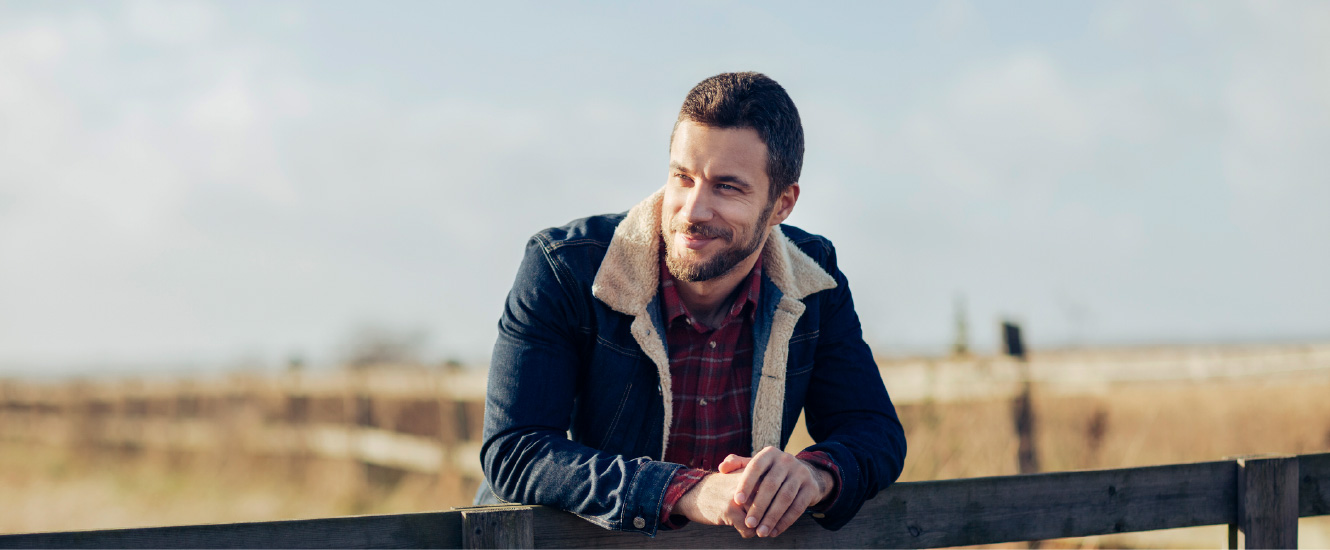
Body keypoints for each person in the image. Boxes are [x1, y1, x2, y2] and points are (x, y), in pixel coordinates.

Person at [475, 71, 906, 539]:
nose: (693, 211)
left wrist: (813, 476)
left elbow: (874, 431)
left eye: (727, 187)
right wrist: (687, 491)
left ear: (782, 204)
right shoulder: (563, 269)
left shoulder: (814, 278)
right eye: (683, 177)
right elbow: (515, 450)